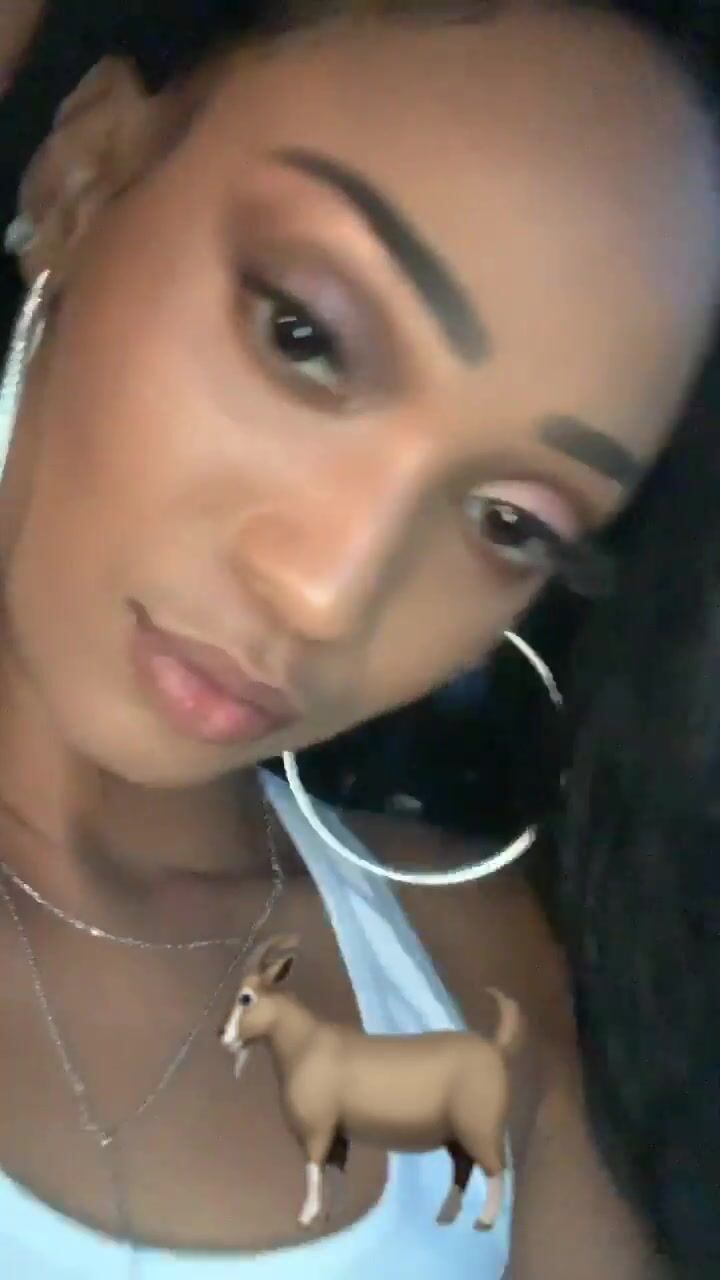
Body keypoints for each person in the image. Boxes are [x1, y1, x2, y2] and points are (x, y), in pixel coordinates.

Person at [0, 2, 717, 1278]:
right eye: (306, 337)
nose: (330, 594)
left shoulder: (472, 981)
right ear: (84, 179)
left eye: (510, 521)